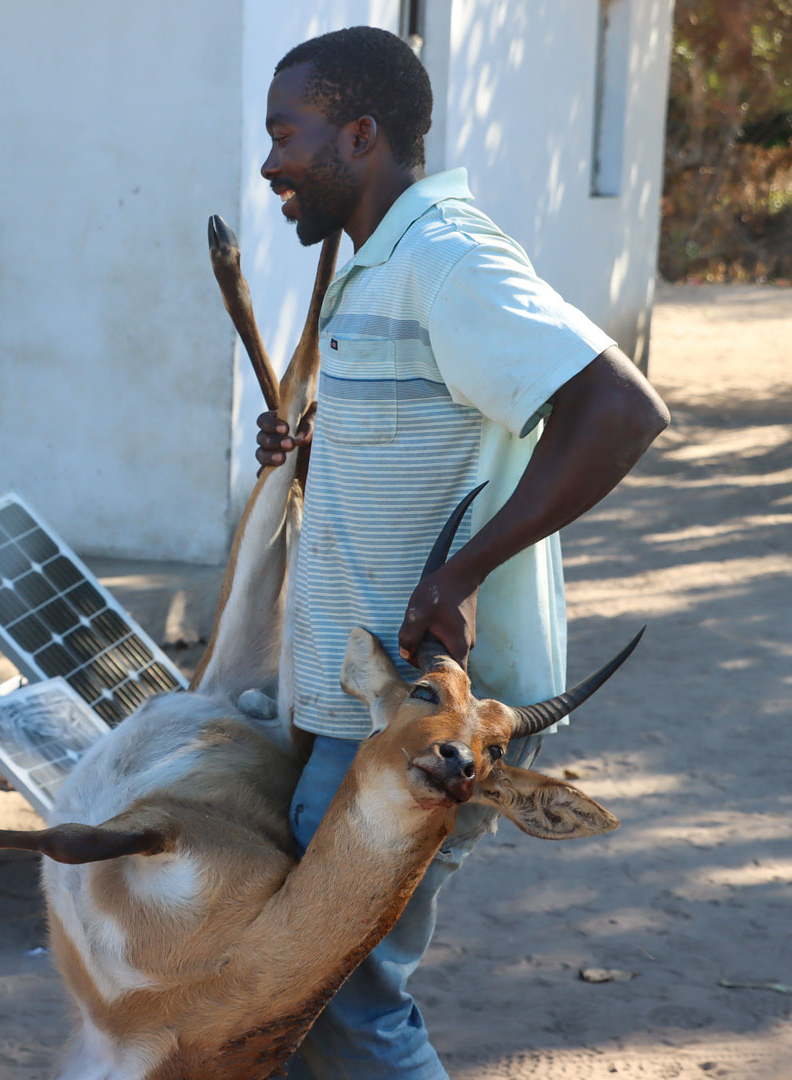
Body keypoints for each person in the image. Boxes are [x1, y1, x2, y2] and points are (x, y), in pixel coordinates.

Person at [250, 28, 670, 1078]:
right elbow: (438, 440)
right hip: (354, 711)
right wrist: (315, 451)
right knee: (304, 1006)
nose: (269, 166)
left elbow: (619, 410)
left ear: (359, 133)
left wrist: (463, 571)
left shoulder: (447, 256)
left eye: (283, 135)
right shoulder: (381, 258)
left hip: (420, 725)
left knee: (343, 1003)